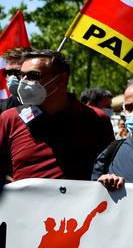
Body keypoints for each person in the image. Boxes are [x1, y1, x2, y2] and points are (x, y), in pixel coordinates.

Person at [0, 49, 113, 182]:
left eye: (33, 76)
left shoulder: (96, 118)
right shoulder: (9, 118)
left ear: (61, 79)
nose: (23, 82)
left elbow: (109, 168)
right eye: (21, 75)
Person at [0, 47, 29, 112]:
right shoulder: (3, 108)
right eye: (9, 72)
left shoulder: (48, 102)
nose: (12, 77)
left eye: (17, 72)